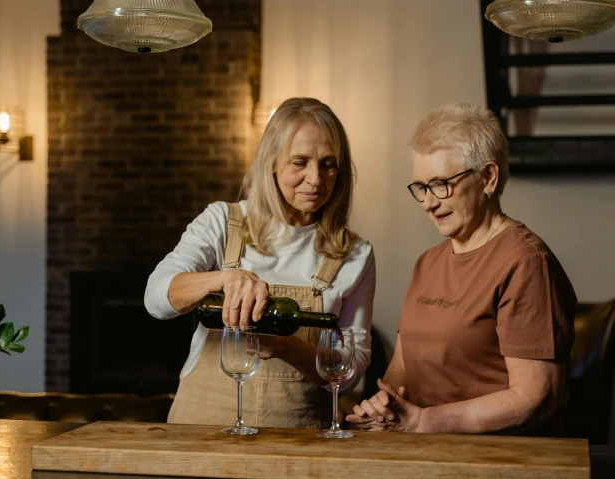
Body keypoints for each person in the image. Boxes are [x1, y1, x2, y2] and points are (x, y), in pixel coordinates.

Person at [346, 103, 576, 436]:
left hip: (500, 460)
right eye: (421, 188)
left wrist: (425, 421)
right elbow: (405, 364)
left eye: (441, 184)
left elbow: (536, 397)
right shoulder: (428, 262)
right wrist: (383, 406)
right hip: (427, 455)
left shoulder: (526, 262)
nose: (428, 202)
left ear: (488, 177)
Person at [145, 97, 375, 429]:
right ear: (272, 162)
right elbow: (155, 299)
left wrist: (286, 346)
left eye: (328, 164)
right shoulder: (223, 222)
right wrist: (224, 279)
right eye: (299, 162)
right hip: (201, 427)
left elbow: (351, 372)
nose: (316, 179)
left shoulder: (355, 253)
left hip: (299, 437)